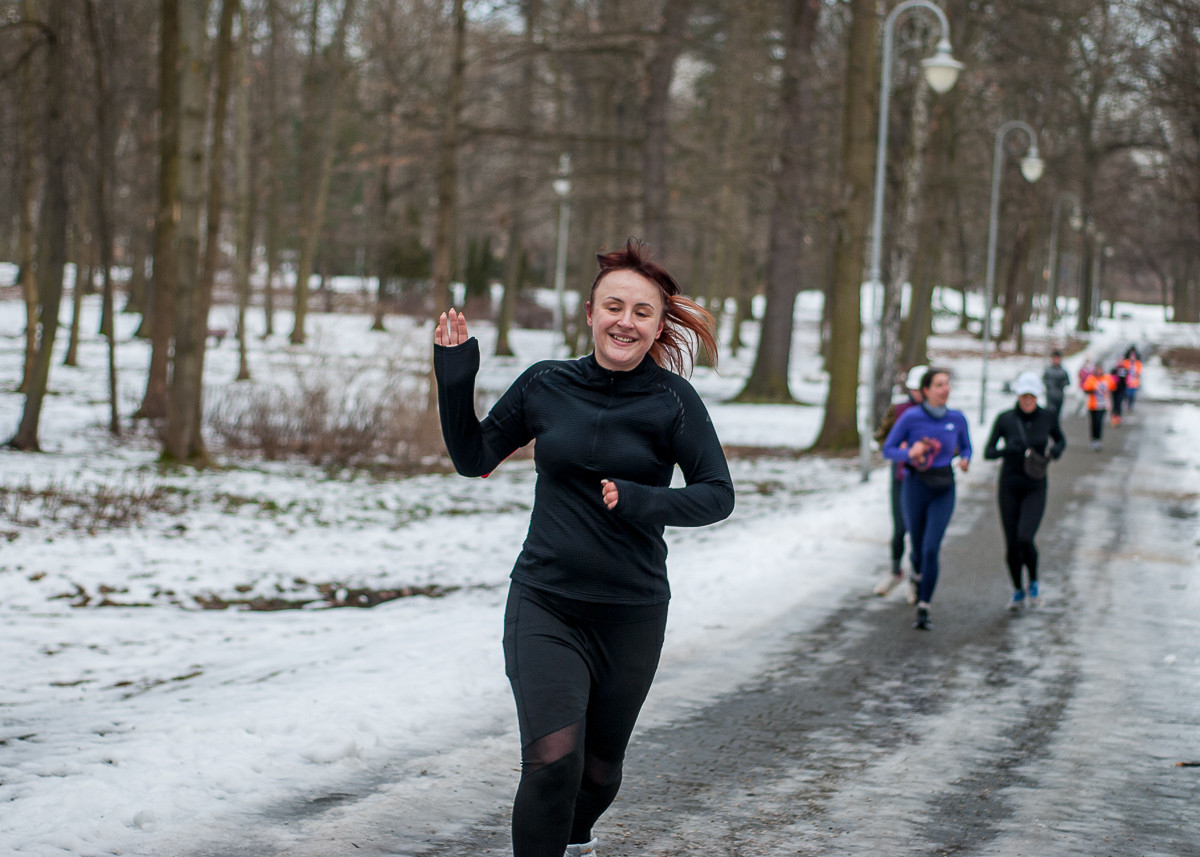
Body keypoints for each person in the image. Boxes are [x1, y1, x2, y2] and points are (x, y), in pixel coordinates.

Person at [433, 238, 735, 857]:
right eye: (614, 307)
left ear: (657, 326)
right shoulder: (546, 385)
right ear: (591, 313)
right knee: (552, 760)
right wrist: (454, 377)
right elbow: (473, 457)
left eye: (642, 312)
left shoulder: (673, 402)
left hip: (631, 609)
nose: (625, 321)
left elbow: (716, 496)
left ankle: (573, 841)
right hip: (547, 599)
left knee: (598, 772)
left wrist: (641, 498)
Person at [882, 368, 972, 630]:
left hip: (944, 487)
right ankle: (917, 573)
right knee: (918, 548)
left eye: (947, 384)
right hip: (915, 486)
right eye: (939, 385)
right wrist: (910, 452)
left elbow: (965, 445)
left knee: (932, 548)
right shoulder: (911, 418)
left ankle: (924, 607)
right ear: (926, 390)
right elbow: (888, 449)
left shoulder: (957, 418)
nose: (945, 389)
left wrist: (965, 458)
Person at [982, 371, 1067, 610]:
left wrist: (1056, 451)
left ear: (1037, 396)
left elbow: (1060, 440)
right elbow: (988, 452)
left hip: (1035, 485)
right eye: (1023, 396)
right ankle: (1018, 589)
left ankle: (1035, 582)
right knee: (1011, 544)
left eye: (1031, 397)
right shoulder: (1005, 419)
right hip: (1009, 485)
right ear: (1018, 395)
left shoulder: (1047, 417)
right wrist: (1007, 450)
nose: (1028, 401)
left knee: (1025, 537)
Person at [873, 365, 926, 598]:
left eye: (920, 389)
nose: (917, 394)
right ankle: (896, 570)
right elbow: (881, 438)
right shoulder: (898, 410)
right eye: (913, 389)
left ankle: (916, 577)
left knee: (919, 531)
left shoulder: (937, 413)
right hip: (901, 476)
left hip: (926, 479)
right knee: (899, 529)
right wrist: (896, 446)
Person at [1081, 363, 1115, 451]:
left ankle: (1098, 440)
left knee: (1099, 422)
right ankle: (1093, 439)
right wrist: (1094, 389)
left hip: (1102, 405)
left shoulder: (1107, 378)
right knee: (1093, 423)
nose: (1099, 371)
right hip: (1092, 405)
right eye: (1097, 369)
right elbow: (1086, 388)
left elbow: (1113, 386)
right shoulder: (1091, 378)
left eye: (1100, 369)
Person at [1042, 350, 1070, 421]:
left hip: (1059, 396)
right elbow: (1044, 380)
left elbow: (1067, 382)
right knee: (1050, 414)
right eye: (1055, 358)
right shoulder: (1048, 370)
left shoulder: (1063, 371)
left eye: (1058, 358)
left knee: (1057, 416)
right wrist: (1051, 384)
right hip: (1050, 396)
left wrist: (1061, 384)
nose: (1056, 360)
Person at [1121, 346, 1143, 413]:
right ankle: (1126, 404)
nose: (1132, 357)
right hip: (1127, 383)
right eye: (1131, 355)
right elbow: (1122, 371)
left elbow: (1139, 372)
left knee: (1132, 396)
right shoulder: (1126, 362)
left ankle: (1130, 407)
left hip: (1134, 383)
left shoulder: (1138, 363)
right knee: (1126, 394)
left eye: (1134, 356)